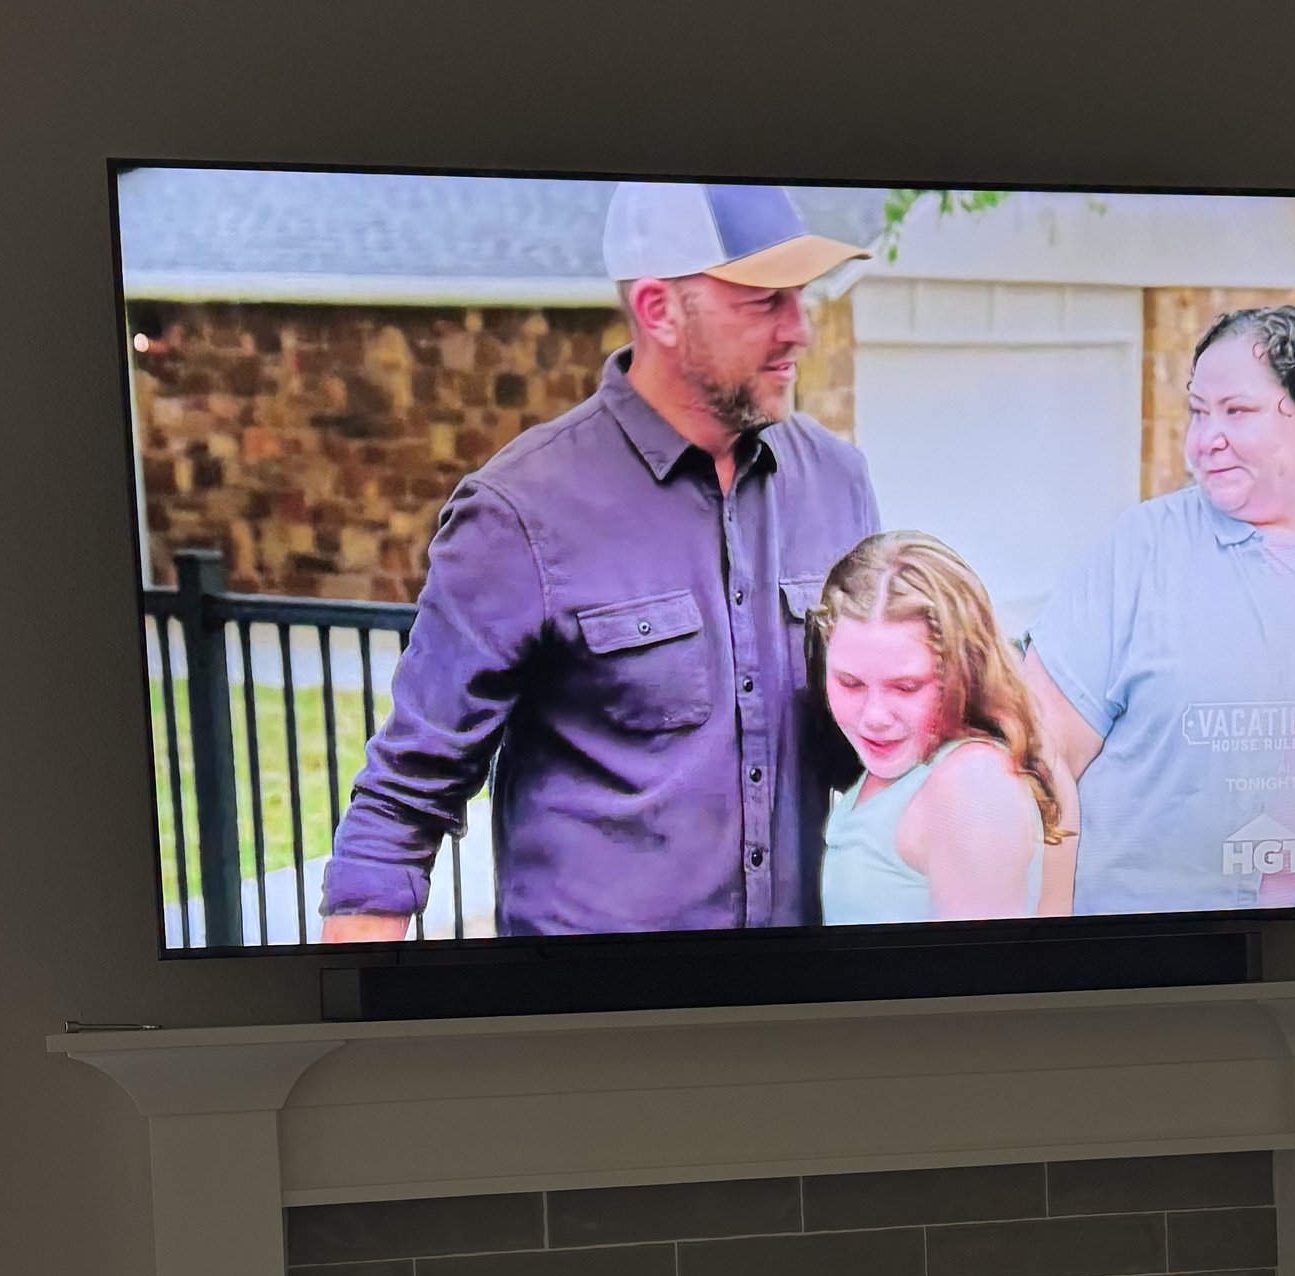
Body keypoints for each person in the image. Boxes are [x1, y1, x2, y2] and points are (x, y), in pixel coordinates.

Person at [320, 180, 877, 940]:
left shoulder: (838, 483)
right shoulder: (521, 511)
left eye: (800, 297)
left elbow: (898, 731)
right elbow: (406, 795)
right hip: (596, 1028)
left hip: (795, 1014)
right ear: (659, 311)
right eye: (763, 301)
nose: (800, 330)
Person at [1023, 304, 1295, 918]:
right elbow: (1043, 755)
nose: (1205, 439)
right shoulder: (1140, 549)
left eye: (1238, 412)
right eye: (1198, 411)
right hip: (1145, 955)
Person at [814, 533, 1060, 925]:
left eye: (906, 687)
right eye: (850, 683)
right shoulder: (897, 769)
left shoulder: (971, 782)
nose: (874, 716)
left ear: (964, 671)